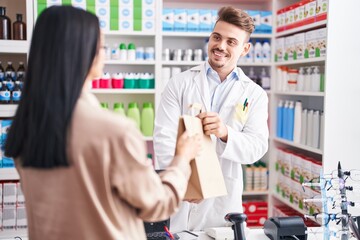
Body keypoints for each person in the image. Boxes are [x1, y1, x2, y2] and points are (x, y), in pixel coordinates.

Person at [4, 6, 201, 240]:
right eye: (101, 47)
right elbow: (157, 205)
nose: (104, 53)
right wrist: (182, 159)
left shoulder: (25, 128)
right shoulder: (113, 130)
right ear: (85, 53)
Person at [154, 6, 269, 231]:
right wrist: (185, 185)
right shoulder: (180, 83)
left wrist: (226, 133)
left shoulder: (254, 94)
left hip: (223, 203)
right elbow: (163, 138)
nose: (221, 46)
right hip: (181, 200)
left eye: (231, 42)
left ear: (245, 49)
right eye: (216, 37)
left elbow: (257, 146)